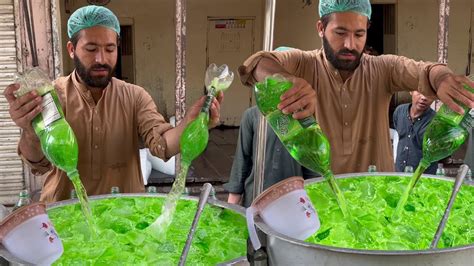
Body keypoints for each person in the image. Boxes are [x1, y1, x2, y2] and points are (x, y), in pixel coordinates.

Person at [2, 6, 223, 202]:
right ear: (71, 49)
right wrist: (29, 131)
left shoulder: (135, 96)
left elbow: (163, 145)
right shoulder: (52, 96)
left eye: (109, 49)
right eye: (91, 49)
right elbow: (38, 165)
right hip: (65, 216)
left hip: (124, 218)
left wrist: (190, 123)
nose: (101, 59)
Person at [238, 0, 474, 174]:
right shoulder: (303, 63)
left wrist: (443, 79)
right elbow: (257, 63)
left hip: (375, 196)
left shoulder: (383, 69)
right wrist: (285, 80)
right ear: (321, 28)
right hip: (319, 196)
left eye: (359, 34)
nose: (350, 44)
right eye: (340, 33)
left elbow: (425, 70)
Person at [224, 106, 318, 207]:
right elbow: (241, 161)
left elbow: (312, 168)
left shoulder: (303, 118)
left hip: (293, 204)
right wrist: (231, 208)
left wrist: (315, 204)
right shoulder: (252, 115)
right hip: (255, 203)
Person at [393, 91, 437, 174]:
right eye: (420, 92)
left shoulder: (436, 122)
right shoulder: (399, 111)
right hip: (399, 173)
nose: (424, 98)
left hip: (423, 177)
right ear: (411, 91)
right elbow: (398, 135)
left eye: (429, 94)